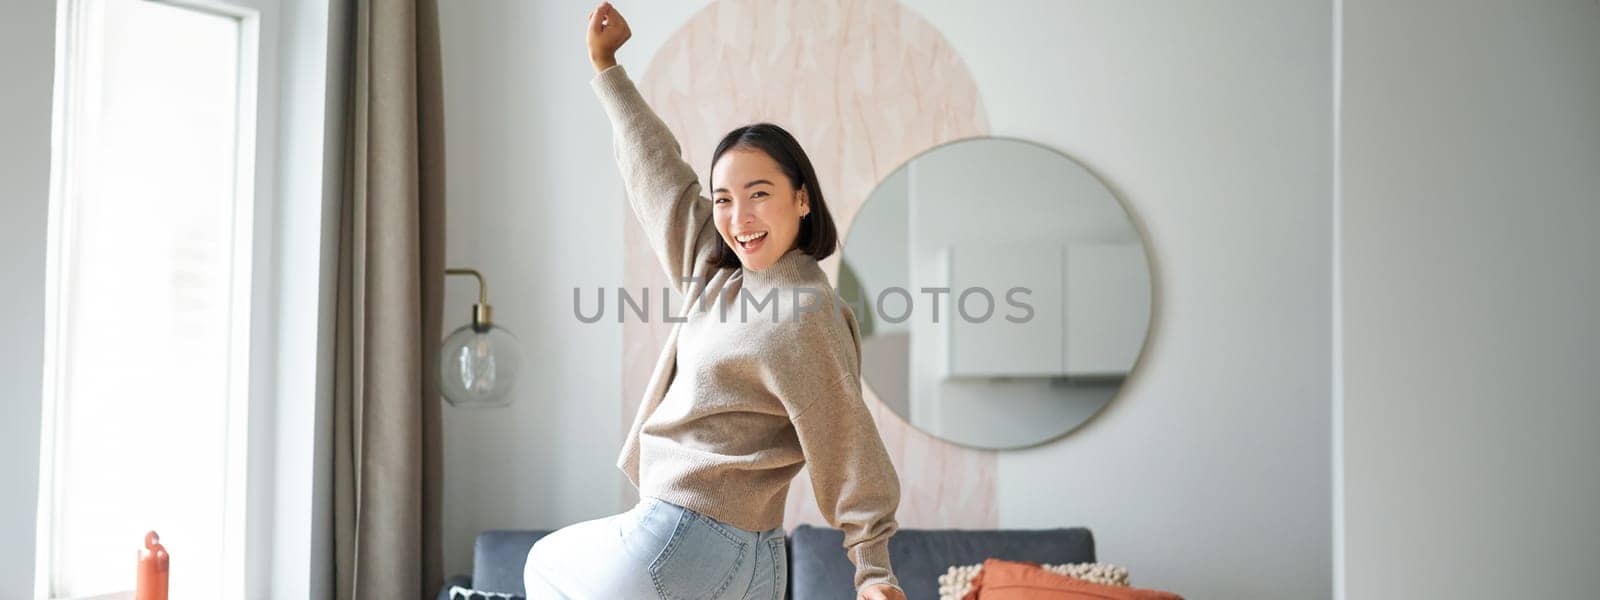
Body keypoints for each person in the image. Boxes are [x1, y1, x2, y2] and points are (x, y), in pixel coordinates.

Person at [521, 3, 907, 600]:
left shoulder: (804, 312)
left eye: (759, 194)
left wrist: (874, 570)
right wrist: (609, 69)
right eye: (723, 198)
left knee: (544, 564)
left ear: (802, 200)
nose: (738, 217)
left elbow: (846, 437)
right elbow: (661, 178)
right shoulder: (718, 276)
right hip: (752, 564)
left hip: (683, 535)